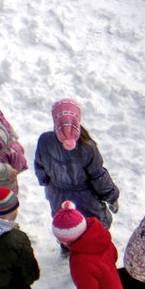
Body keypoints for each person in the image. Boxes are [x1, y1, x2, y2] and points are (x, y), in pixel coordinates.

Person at [34, 98, 120, 230]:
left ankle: (67, 248)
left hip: (58, 196)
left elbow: (39, 166)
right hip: (86, 200)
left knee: (65, 226)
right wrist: (111, 196)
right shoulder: (87, 147)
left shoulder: (44, 141)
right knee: (92, 228)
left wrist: (45, 182)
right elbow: (98, 176)